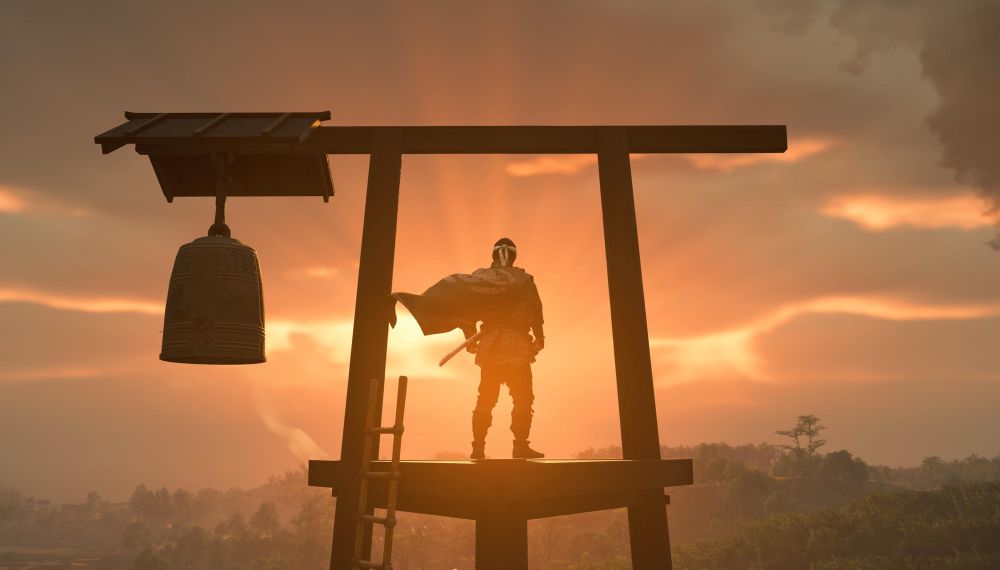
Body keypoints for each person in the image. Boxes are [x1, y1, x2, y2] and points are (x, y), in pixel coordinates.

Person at [389, 238, 545, 459]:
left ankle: (478, 448)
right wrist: (539, 338)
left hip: (490, 348)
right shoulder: (523, 281)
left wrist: (471, 338)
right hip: (516, 348)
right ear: (514, 256)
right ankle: (519, 445)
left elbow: (468, 307)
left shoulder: (481, 279)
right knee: (522, 397)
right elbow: (534, 311)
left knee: (486, 398)